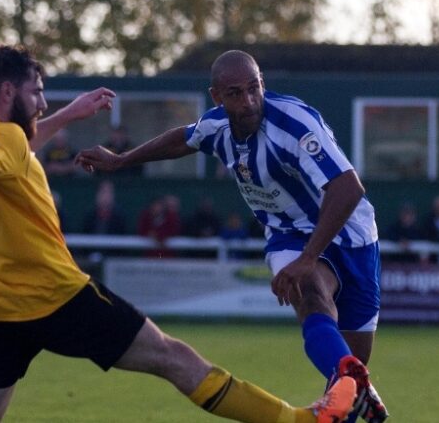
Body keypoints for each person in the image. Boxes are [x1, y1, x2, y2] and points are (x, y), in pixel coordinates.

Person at [0, 44, 357, 423]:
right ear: (9, 92)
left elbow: (0, 150)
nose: (42, 103)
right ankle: (303, 421)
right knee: (173, 358)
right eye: (37, 93)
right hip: (54, 295)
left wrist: (67, 116)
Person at [76, 50, 389, 423]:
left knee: (351, 383)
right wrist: (122, 160)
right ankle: (347, 378)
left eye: (254, 88)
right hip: (287, 233)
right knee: (311, 297)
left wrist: (308, 257)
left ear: (263, 83)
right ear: (217, 97)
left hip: (352, 233)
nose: (249, 101)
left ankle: (349, 385)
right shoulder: (217, 128)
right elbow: (183, 139)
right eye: (236, 93)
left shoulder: (294, 125)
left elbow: (348, 188)